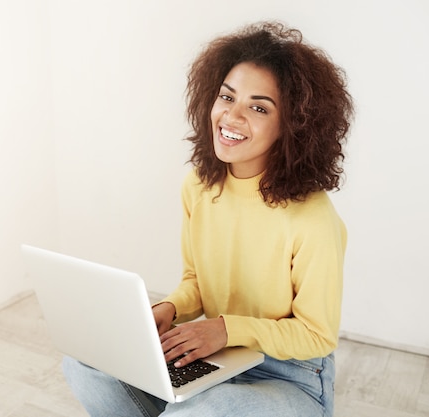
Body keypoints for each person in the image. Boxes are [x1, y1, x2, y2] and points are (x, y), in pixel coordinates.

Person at [63, 20, 354, 417]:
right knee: (87, 362)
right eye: (226, 97)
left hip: (289, 376)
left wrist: (225, 329)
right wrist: (168, 310)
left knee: (205, 411)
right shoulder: (199, 186)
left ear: (292, 126)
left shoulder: (312, 218)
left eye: (258, 107)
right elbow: (196, 283)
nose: (231, 117)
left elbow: (316, 335)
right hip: (215, 359)